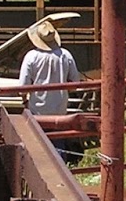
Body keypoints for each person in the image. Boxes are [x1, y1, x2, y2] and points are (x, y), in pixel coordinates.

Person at [19, 16, 84, 163]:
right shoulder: (65, 55)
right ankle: (61, 169)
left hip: (37, 109)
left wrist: (25, 101)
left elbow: (23, 86)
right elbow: (75, 83)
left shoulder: (31, 57)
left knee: (38, 143)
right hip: (60, 108)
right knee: (58, 142)